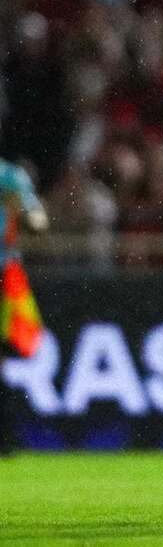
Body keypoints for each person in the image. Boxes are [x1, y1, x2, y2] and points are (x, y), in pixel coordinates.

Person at [0, 157, 48, 455]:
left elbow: (38, 221)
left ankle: (4, 436)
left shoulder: (9, 176)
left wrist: (26, 212)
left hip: (3, 276)